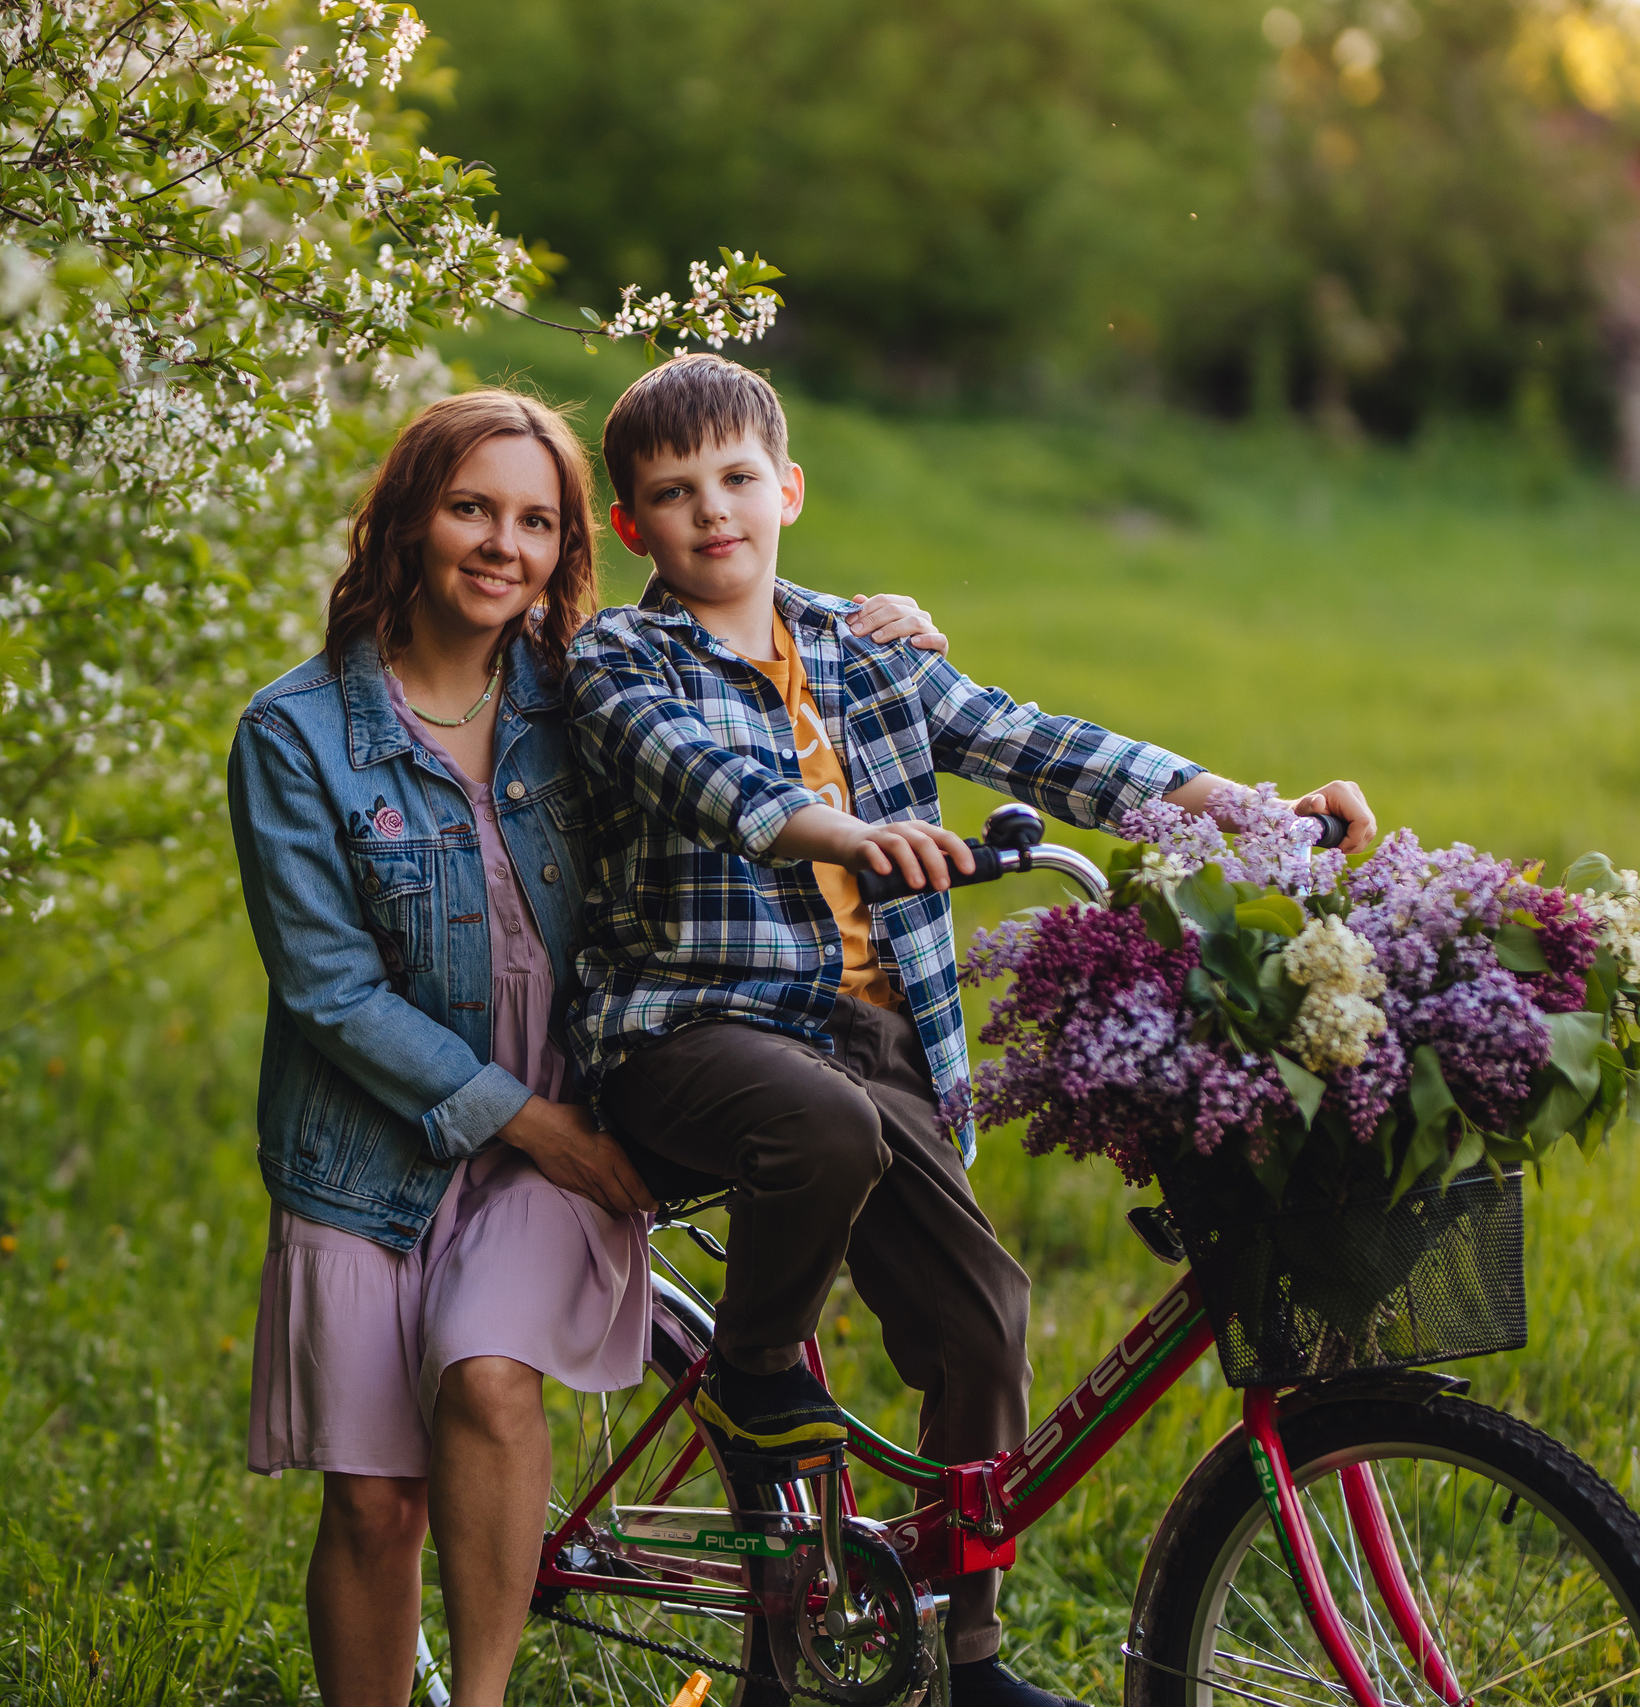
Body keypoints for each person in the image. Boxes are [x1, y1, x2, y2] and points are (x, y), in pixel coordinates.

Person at [560, 353, 1375, 1707]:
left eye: (739, 479)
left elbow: (1043, 745)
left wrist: (1253, 808)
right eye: (673, 493)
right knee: (812, 1136)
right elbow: (705, 779)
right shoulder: (619, 656)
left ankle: (970, 1658)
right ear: (631, 526)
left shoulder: (869, 652)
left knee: (984, 1319)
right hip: (693, 1033)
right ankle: (750, 1370)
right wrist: (846, 832)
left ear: (791, 489)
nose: (715, 511)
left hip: (876, 1045)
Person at [224, 386, 952, 1707]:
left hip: (565, 1117)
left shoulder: (587, 688)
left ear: (571, 549)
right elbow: (328, 991)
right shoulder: (297, 735)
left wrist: (861, 622)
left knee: (493, 1387)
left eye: (536, 522)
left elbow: (733, 623)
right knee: (378, 1504)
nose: (502, 545)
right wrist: (521, 1116)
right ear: (410, 520)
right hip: (369, 1141)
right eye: (471, 510)